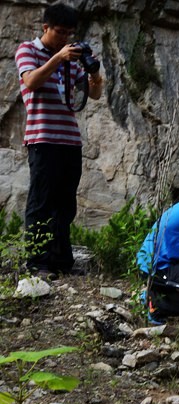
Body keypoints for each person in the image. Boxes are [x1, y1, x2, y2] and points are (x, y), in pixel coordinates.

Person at [15, 2, 104, 276]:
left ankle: (61, 261)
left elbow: (94, 95)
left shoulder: (70, 62)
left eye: (69, 33)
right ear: (46, 28)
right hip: (42, 139)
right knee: (41, 202)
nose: (65, 38)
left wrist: (94, 73)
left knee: (65, 204)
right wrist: (58, 58)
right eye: (60, 32)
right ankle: (37, 262)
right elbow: (30, 81)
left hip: (70, 141)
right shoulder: (28, 50)